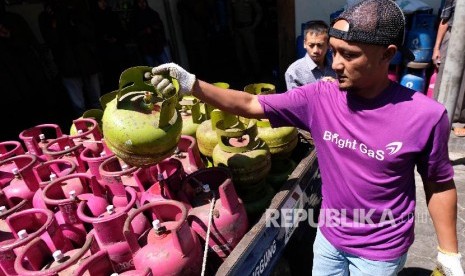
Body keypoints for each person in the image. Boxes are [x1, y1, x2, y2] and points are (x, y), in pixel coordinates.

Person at [150, 0, 464, 275]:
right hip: (328, 238)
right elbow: (249, 103)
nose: (336, 63)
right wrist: (192, 84)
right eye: (334, 51)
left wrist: (449, 252)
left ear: (388, 55)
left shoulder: (425, 116)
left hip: (380, 254)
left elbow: (438, 184)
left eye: (349, 55)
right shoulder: (319, 97)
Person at [38, 0, 102, 117]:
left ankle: (100, 121)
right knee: (79, 104)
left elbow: (90, 33)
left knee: (95, 99)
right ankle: (84, 127)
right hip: (68, 63)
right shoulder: (48, 15)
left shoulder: (78, 9)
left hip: (86, 60)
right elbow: (52, 40)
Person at [432, 0, 465, 137]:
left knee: (463, 84)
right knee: (443, 79)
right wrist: (436, 48)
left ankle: (457, 121)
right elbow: (444, 20)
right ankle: (436, 115)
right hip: (453, 35)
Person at [285, 20, 337, 90]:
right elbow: (295, 100)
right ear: (304, 44)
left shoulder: (336, 67)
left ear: (328, 45)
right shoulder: (294, 72)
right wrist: (318, 88)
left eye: (320, 45)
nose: (315, 50)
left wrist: (336, 85)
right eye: (311, 45)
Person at [91, 0, 130, 92]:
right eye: (100, 1)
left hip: (116, 50)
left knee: (118, 72)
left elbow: (120, 31)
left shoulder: (112, 15)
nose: (103, 3)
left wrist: (116, 38)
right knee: (109, 74)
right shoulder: (95, 17)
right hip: (105, 52)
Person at [129, 0, 171, 67]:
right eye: (140, 2)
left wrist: (153, 29)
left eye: (143, 2)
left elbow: (160, 27)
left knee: (166, 67)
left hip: (157, 45)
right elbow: (133, 32)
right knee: (151, 70)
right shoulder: (135, 17)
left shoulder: (153, 14)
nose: (142, 4)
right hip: (145, 47)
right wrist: (144, 31)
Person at [228, 0, 263, 77]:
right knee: (239, 52)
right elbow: (230, 15)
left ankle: (257, 73)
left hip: (247, 27)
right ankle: (244, 72)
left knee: (252, 51)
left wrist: (254, 26)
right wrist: (231, 29)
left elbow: (259, 12)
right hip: (237, 29)